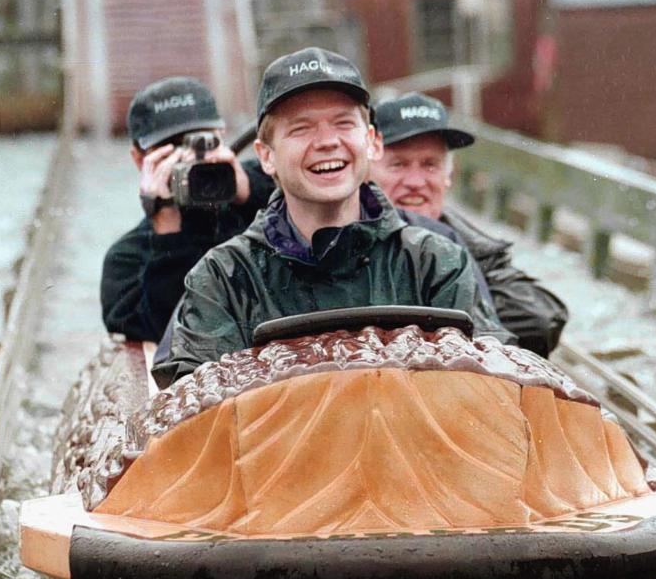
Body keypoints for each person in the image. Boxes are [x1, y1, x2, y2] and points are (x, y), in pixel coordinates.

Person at [152, 48, 510, 389]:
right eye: (301, 128)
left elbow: (491, 385)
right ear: (266, 156)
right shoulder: (223, 277)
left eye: (343, 123)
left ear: (370, 141)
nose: (327, 141)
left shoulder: (437, 261)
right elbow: (197, 420)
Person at [370, 92, 568, 357]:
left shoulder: (471, 244)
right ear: (366, 172)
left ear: (449, 175)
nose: (416, 181)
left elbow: (540, 320)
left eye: (430, 165)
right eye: (398, 165)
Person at [101, 76, 275, 342]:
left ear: (222, 134)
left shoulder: (274, 181)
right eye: (170, 149)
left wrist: (248, 191)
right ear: (139, 159)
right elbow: (172, 337)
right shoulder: (125, 261)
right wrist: (166, 226)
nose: (189, 158)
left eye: (201, 141)